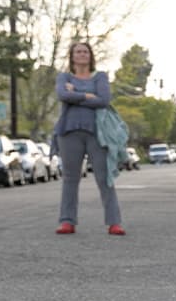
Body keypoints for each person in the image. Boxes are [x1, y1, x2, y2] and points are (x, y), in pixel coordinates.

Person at [53, 41, 125, 235]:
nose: (82, 54)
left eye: (85, 51)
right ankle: (67, 221)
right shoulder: (64, 77)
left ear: (91, 56)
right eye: (78, 51)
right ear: (72, 56)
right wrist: (88, 96)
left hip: (97, 134)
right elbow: (62, 95)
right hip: (68, 133)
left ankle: (114, 222)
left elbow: (104, 101)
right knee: (70, 178)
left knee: (104, 178)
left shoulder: (100, 77)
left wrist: (74, 94)